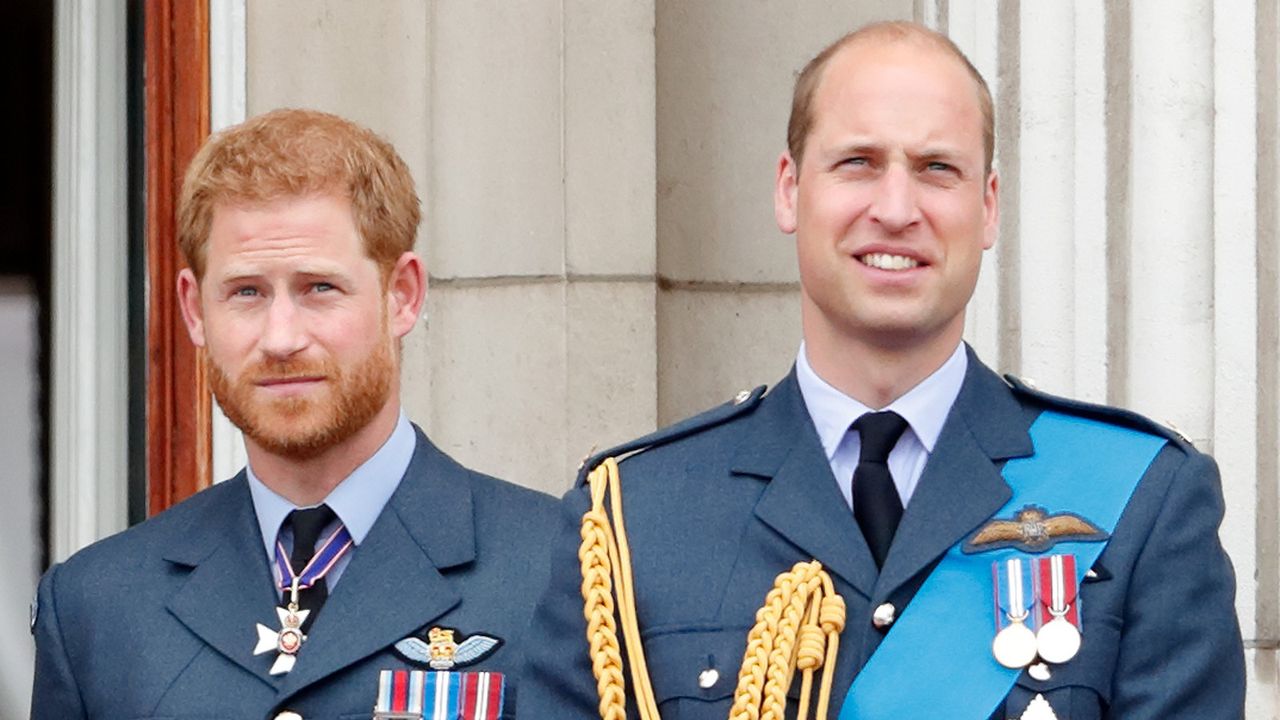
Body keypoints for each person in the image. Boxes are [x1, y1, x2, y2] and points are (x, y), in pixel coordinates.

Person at [519, 21, 1244, 720]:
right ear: (788, 189)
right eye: (857, 162)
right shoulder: (633, 520)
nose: (897, 209)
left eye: (937, 169)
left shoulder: (1146, 502)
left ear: (987, 208)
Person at [31, 109, 556, 720]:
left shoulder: (558, 571)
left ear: (403, 295)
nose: (281, 339)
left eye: (319, 288)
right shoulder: (99, 607)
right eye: (246, 291)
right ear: (195, 309)